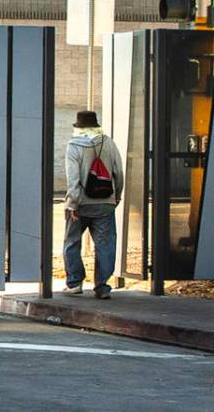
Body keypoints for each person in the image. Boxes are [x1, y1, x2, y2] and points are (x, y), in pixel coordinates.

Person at [63, 110, 124, 299]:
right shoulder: (108, 143)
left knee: (72, 242)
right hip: (105, 203)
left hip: (80, 205)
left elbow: (73, 179)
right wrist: (116, 196)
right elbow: (119, 172)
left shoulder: (73, 146)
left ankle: (74, 283)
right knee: (105, 245)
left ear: (78, 127)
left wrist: (72, 204)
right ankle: (102, 286)